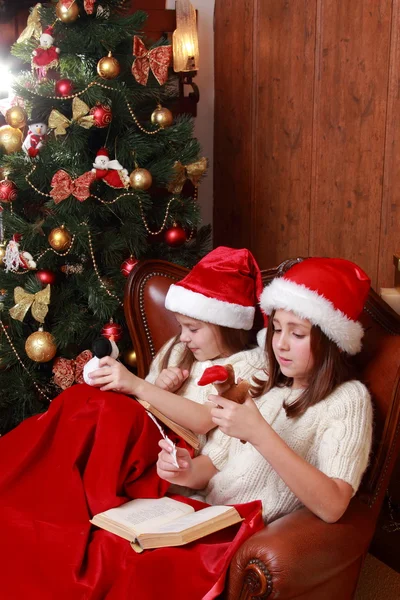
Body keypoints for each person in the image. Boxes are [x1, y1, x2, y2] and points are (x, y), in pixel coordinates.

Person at [0, 246, 266, 600]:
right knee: (82, 402)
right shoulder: (179, 349)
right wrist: (157, 386)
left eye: (193, 328)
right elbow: (146, 400)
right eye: (182, 327)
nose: (183, 336)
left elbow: (204, 420)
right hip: (142, 424)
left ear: (229, 326)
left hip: (169, 448)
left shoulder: (246, 364)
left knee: (106, 411)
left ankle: (70, 492)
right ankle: (27, 477)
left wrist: (139, 385)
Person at [157, 257, 373, 526]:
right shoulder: (260, 383)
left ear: (333, 342)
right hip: (201, 511)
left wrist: (259, 433)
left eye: (297, 334)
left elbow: (333, 505)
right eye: (277, 329)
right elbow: (213, 465)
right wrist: (183, 470)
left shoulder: (348, 399)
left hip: (240, 531)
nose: (280, 344)